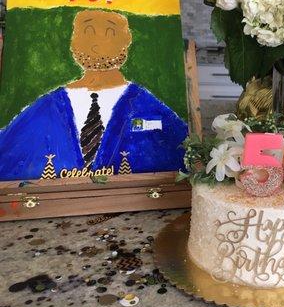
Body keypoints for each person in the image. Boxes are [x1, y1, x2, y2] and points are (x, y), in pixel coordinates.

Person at [0, 9, 188, 180]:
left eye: (110, 32)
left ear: (126, 42)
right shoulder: (46, 108)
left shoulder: (147, 106)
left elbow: (185, 153)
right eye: (88, 31)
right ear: (73, 42)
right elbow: (9, 154)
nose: (97, 40)